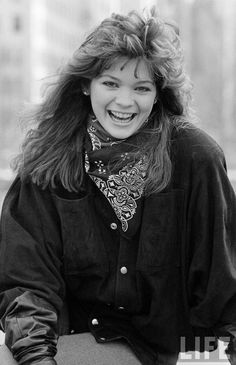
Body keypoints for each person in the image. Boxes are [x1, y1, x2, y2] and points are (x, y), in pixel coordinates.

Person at [0, 6, 236, 365]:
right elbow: (27, 284)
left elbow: (224, 287)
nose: (125, 102)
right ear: (85, 84)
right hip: (85, 341)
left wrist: (208, 360)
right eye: (110, 83)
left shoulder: (195, 158)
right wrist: (37, 358)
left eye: (141, 88)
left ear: (158, 94)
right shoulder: (48, 163)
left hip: (182, 352)